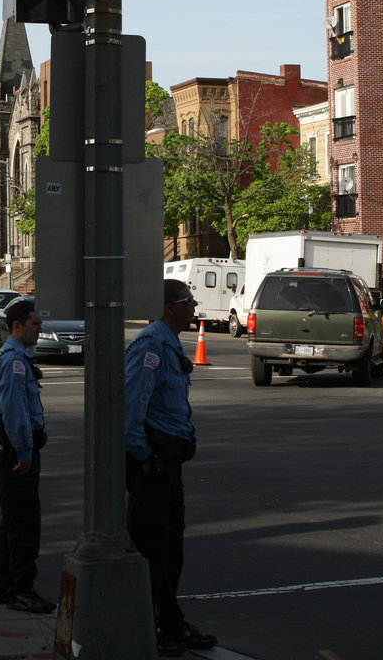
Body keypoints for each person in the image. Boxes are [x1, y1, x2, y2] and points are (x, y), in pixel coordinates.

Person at [124, 279, 218, 658]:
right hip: (152, 465)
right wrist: (145, 455)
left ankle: (168, 619)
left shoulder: (168, 342)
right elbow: (131, 407)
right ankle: (151, 624)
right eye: (188, 300)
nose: (193, 306)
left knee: (171, 543)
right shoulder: (151, 346)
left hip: (167, 463)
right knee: (153, 546)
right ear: (169, 307)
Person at [0, 296, 55, 614]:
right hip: (14, 453)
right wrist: (24, 453)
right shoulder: (14, 361)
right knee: (25, 525)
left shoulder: (14, 357)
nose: (40, 329)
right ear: (18, 326)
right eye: (35, 324)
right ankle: (21, 589)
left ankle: (5, 587)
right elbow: (14, 412)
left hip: (9, 450)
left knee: (13, 522)